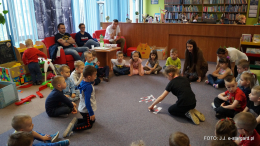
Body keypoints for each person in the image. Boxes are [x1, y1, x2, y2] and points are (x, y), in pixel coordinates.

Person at [63, 66, 97, 138]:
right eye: (95, 75)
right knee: (89, 125)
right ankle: (72, 128)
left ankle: (77, 120)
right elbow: (87, 101)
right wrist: (91, 113)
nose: (96, 77)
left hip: (82, 107)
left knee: (92, 120)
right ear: (88, 77)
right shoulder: (88, 87)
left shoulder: (83, 82)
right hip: (86, 110)